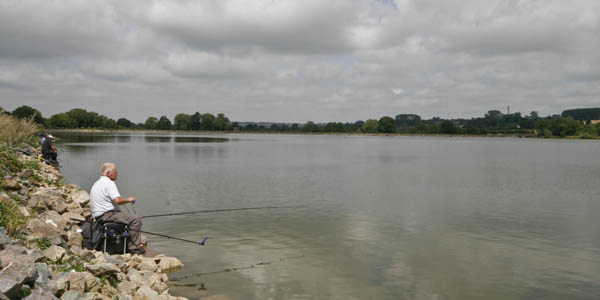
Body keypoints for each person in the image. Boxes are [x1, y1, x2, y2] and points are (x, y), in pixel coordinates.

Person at [90, 162, 145, 254]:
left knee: (127, 216)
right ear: (108, 174)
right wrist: (129, 199)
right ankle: (134, 248)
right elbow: (118, 201)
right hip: (107, 215)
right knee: (136, 219)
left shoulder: (98, 183)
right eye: (115, 172)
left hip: (98, 215)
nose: (117, 174)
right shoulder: (109, 183)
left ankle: (125, 242)